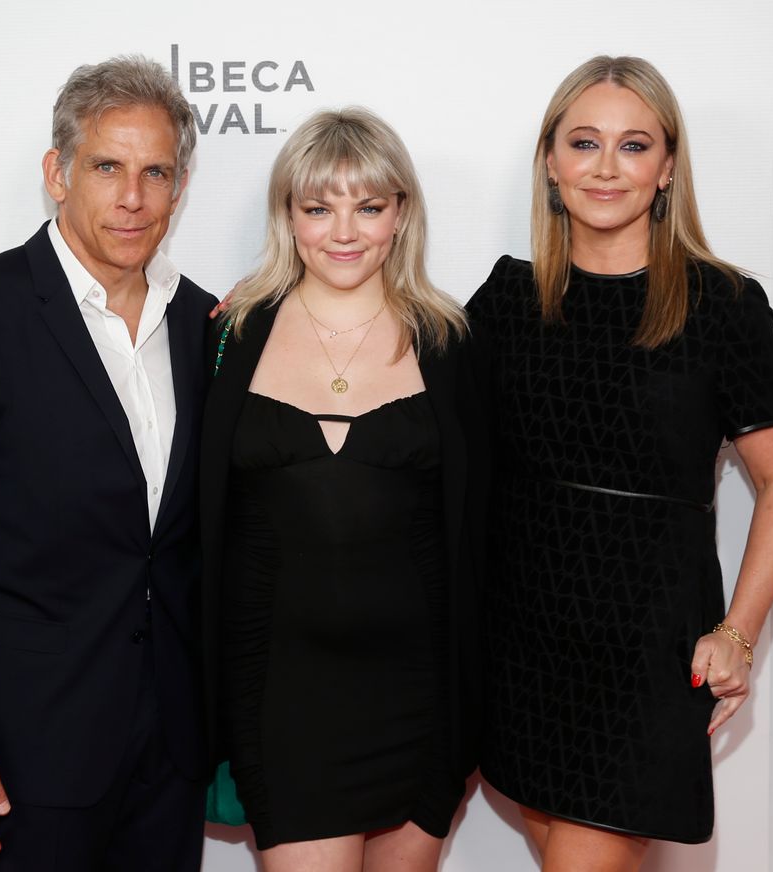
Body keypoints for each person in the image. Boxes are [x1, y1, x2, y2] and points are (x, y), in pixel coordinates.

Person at [466, 56, 773, 871]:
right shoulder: (507, 302)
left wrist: (739, 632)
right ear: (551, 162)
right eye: (584, 142)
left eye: (633, 146)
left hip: (645, 649)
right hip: (521, 639)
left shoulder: (722, 305)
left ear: (666, 169)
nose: (606, 167)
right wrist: (275, 305)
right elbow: (397, 381)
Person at [0, 55, 216, 871]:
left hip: (173, 747)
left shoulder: (206, 326)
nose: (133, 197)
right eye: (108, 166)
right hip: (27, 749)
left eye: (156, 172)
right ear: (58, 173)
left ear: (179, 187)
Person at [200, 107, 488, 872]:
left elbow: (482, 524)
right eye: (318, 207)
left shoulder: (450, 340)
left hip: (419, 698)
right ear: (287, 217)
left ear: (401, 214)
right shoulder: (230, 334)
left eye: (369, 206)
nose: (344, 231)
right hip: (281, 698)